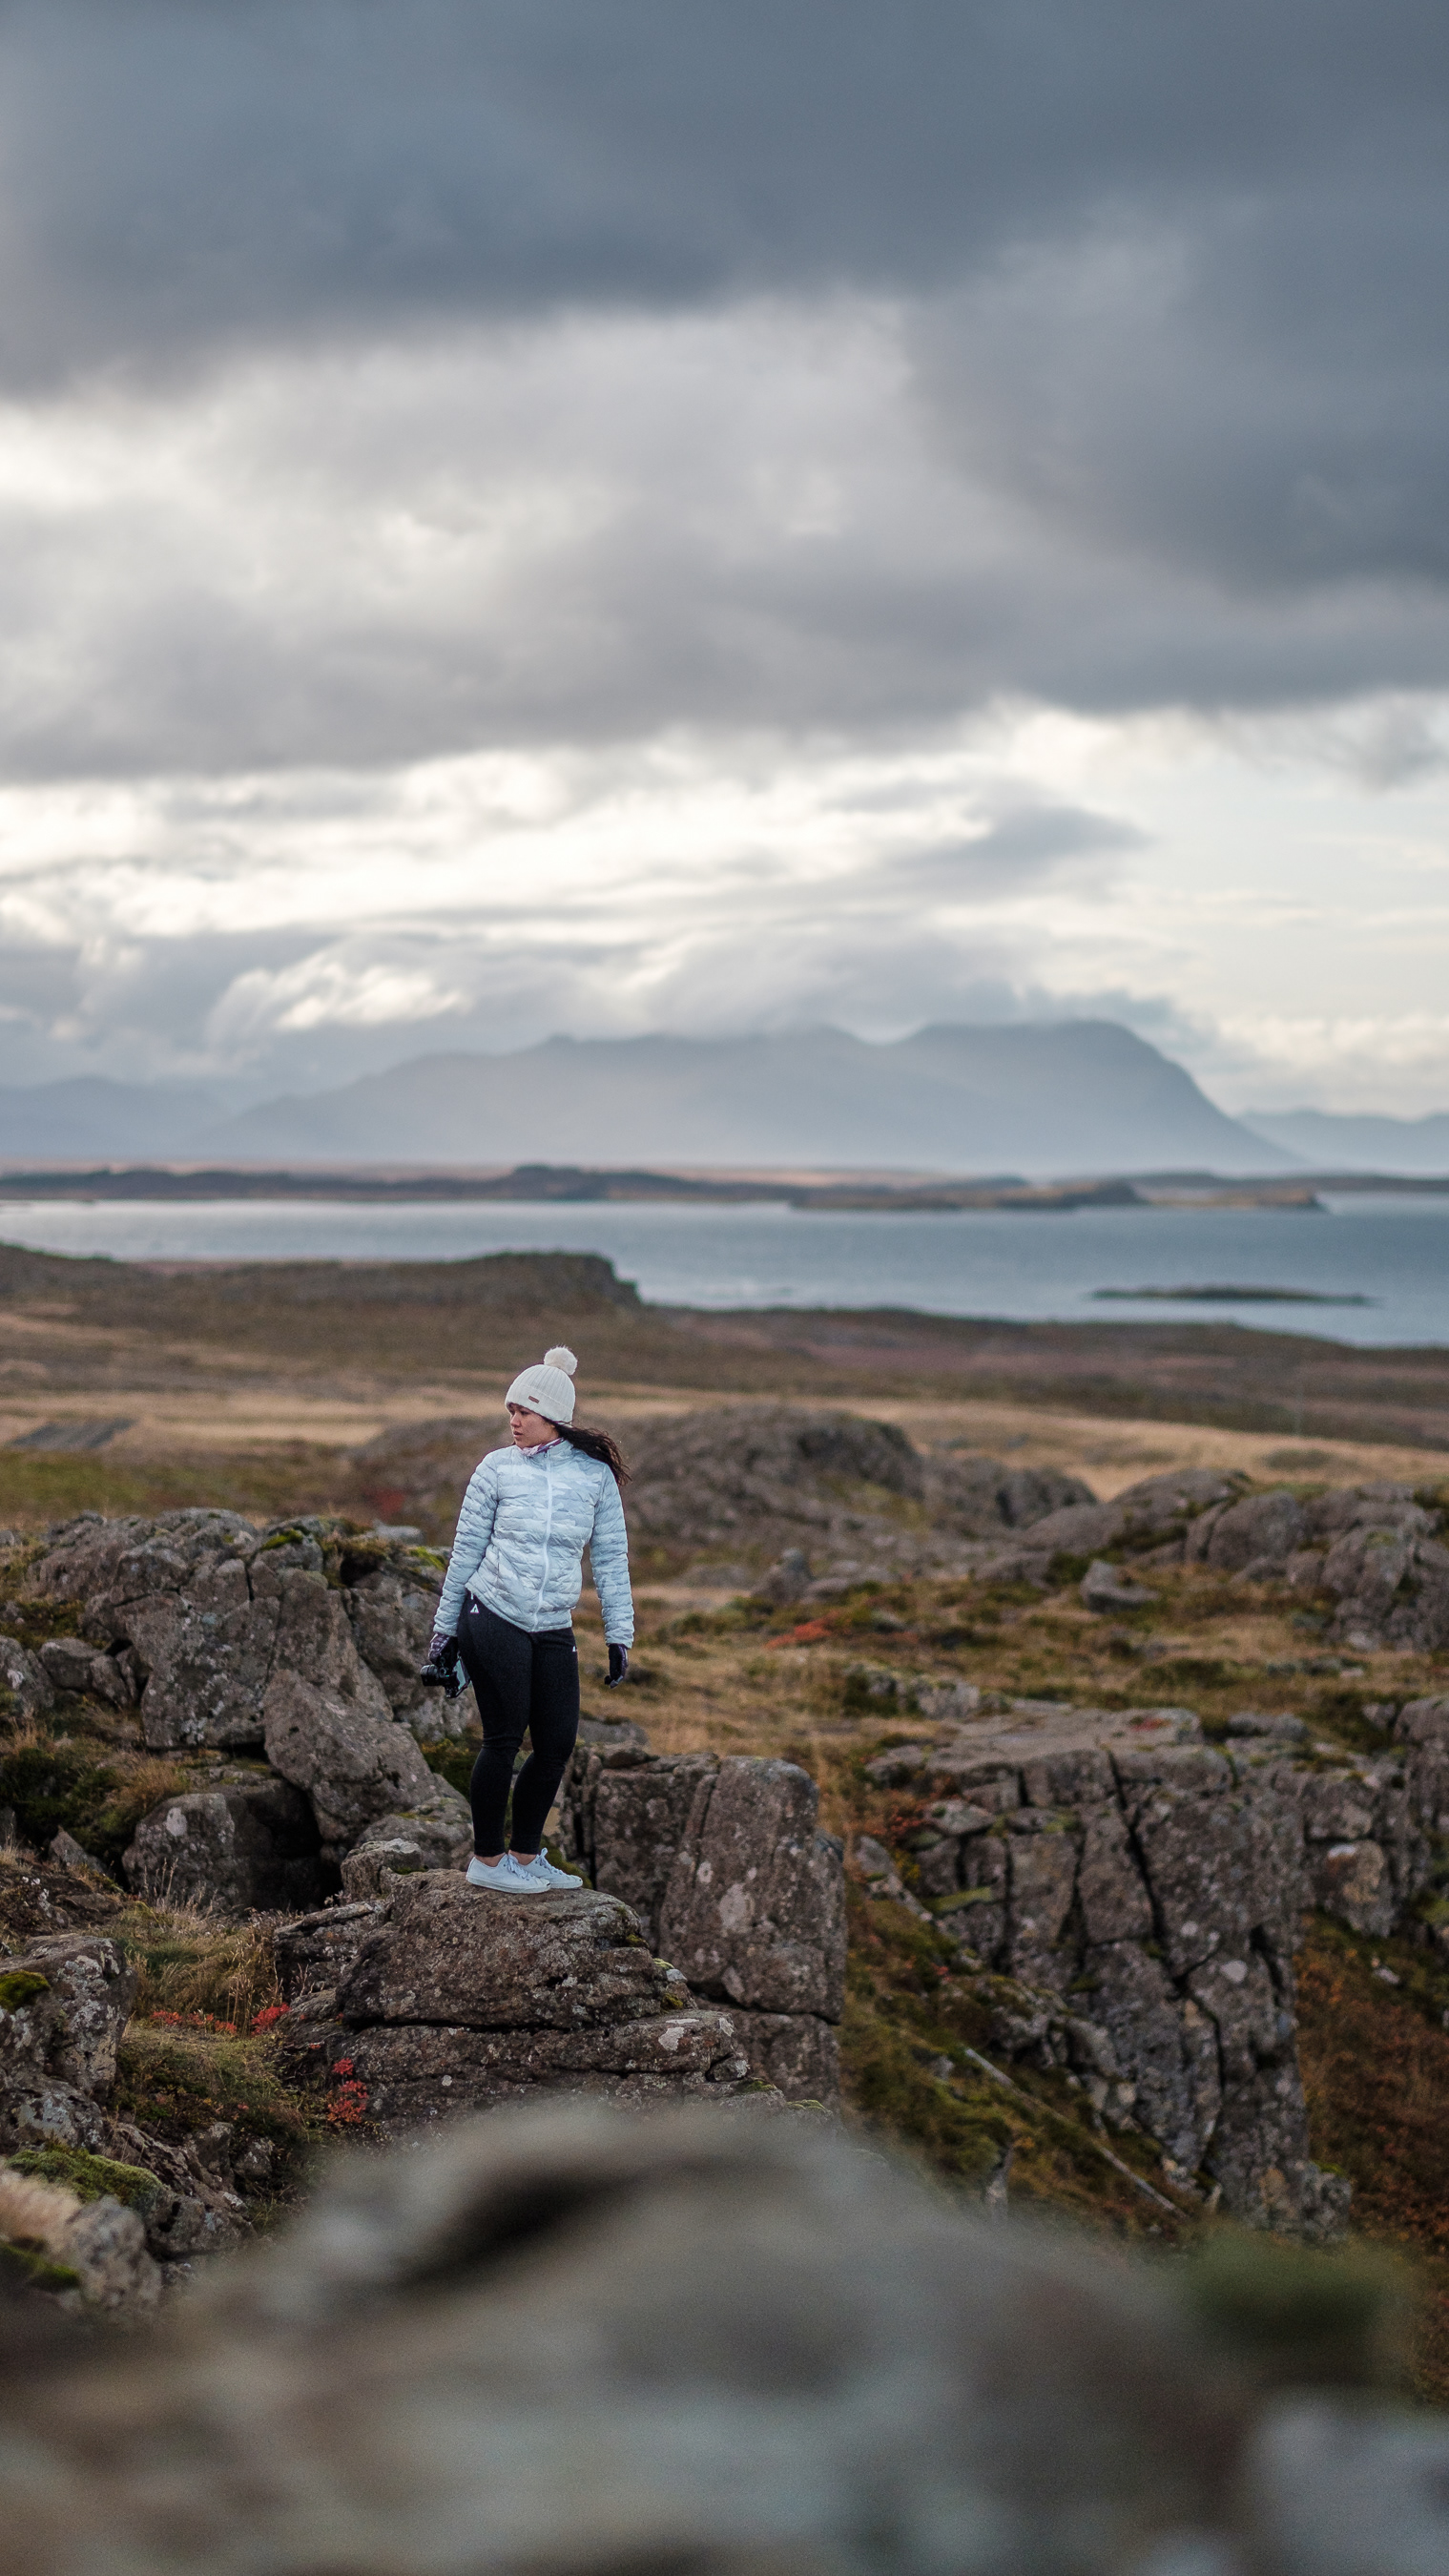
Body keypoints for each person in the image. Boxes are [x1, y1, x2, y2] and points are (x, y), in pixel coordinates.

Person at [425, 1344, 633, 1895]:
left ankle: (524, 1856)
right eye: (510, 1411)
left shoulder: (593, 1477)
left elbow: (610, 1557)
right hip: (492, 1612)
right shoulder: (495, 1469)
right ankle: (488, 1863)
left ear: (554, 1418)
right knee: (503, 1737)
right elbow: (465, 1552)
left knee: (558, 1743)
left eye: (525, 1411)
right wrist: (444, 1634)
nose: (514, 1421)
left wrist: (619, 1635)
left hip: (552, 1624)